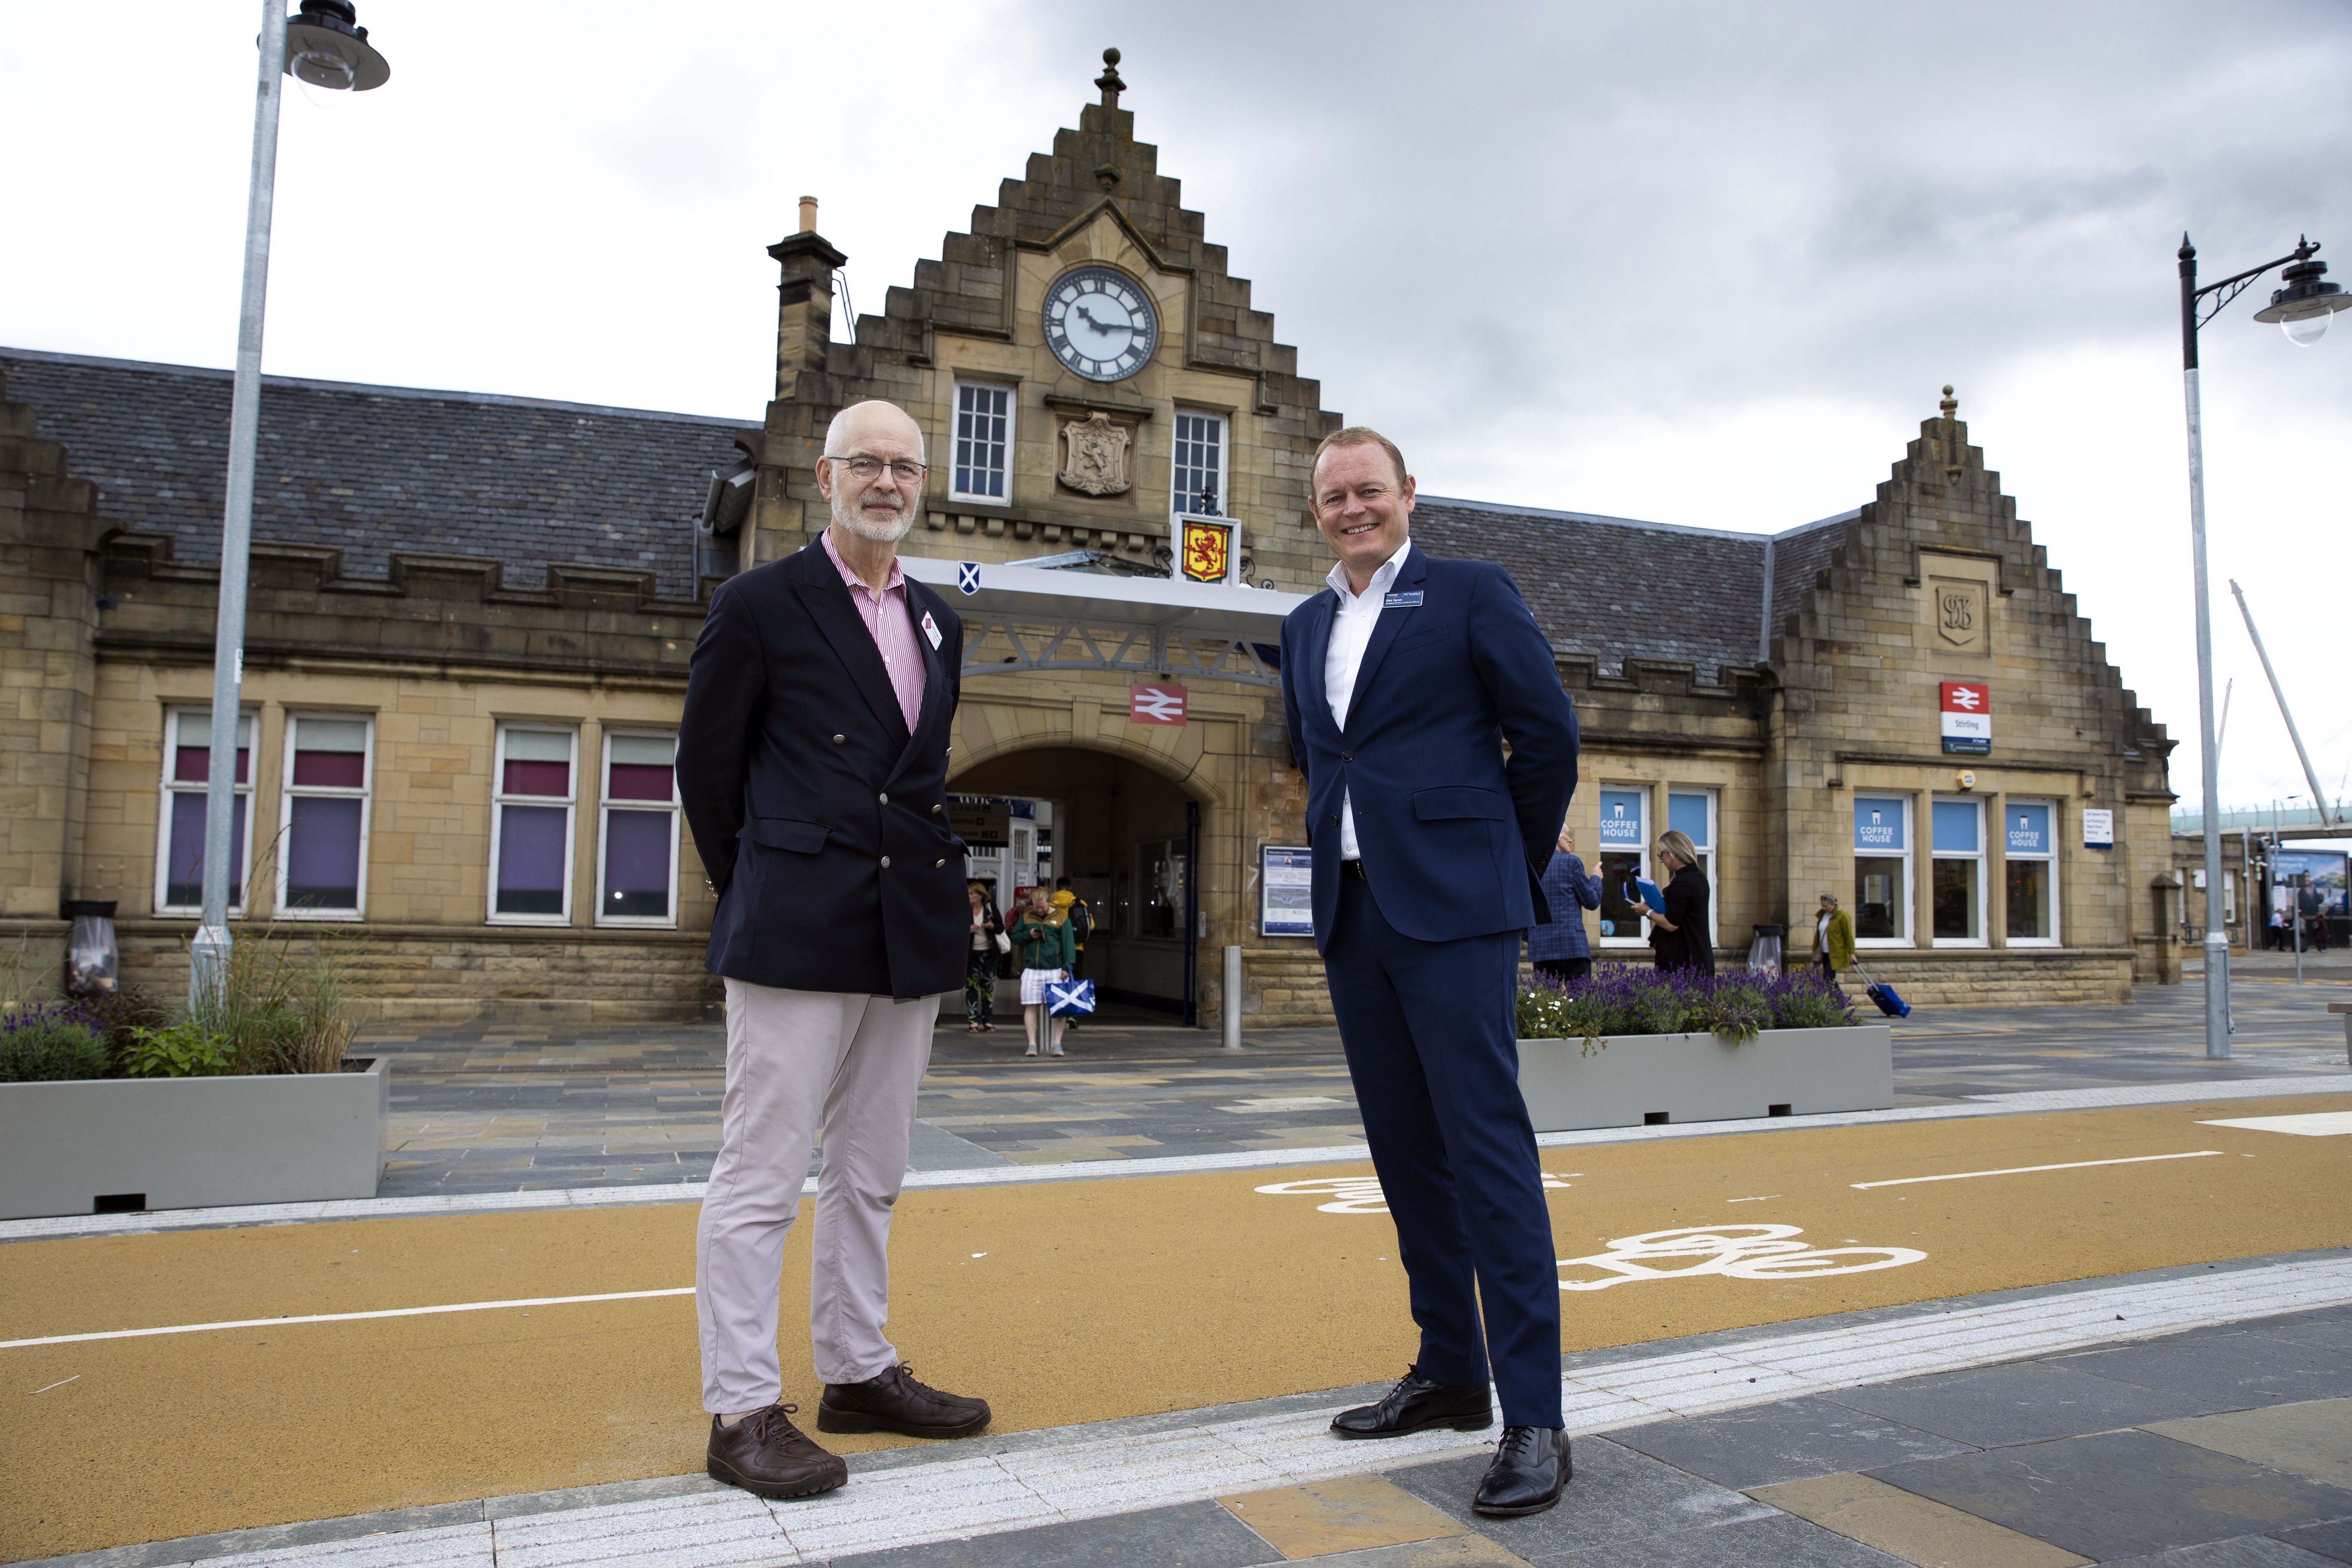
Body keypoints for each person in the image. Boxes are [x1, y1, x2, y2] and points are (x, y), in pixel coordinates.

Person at [676, 399, 989, 1503]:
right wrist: (765, 881)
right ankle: (743, 1408)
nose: (888, 482)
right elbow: (707, 777)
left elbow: (921, 779)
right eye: (868, 462)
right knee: (762, 1173)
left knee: (872, 1170)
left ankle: (857, 1369)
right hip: (796, 923)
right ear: (825, 476)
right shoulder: (759, 604)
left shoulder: (941, 620)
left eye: (905, 467)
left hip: (907, 927)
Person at [1279, 426, 1580, 1518]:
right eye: (1331, 497)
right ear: (1313, 511)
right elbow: (1317, 758)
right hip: (1353, 913)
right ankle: (1451, 1370)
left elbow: (1545, 736)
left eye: (1368, 490)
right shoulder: (1304, 621)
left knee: (1486, 1151)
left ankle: (1534, 1416)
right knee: (1404, 1153)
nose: (1351, 509)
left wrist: (1499, 854)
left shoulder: (1468, 592)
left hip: (1455, 913)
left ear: (1407, 493)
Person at [1528, 820, 1602, 985]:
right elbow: (1592, 901)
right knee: (1579, 1004)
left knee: (1546, 1007)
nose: (1570, 840)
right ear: (1556, 837)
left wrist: (1532, 936)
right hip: (1572, 947)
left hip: (1540, 948)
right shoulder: (1571, 862)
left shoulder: (1531, 866)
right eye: (1568, 835)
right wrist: (1596, 878)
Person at [1637, 831, 1715, 974]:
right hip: (1697, 956)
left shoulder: (1683, 883)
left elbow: (1671, 924)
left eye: (1662, 855)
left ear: (1674, 853)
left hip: (1683, 960)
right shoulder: (1698, 877)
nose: (1662, 860)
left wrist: (1647, 911)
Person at [1011, 885, 1075, 1057]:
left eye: (1042, 907)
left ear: (1049, 902)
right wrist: (1028, 935)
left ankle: (1057, 1044)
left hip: (1055, 970)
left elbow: (1069, 944)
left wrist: (1067, 967)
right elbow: (1015, 937)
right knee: (1031, 1006)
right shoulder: (1027, 916)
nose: (1039, 910)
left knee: (1058, 1009)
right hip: (1032, 970)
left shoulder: (1062, 918)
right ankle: (1032, 1044)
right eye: (1036, 907)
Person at [1052, 876, 1094, 1029]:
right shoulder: (1080, 904)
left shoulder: (1050, 905)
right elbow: (1091, 926)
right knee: (1074, 982)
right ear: (1070, 888)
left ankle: (1056, 1013)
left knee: (1055, 982)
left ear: (1057, 888)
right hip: (1077, 949)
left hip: (1055, 950)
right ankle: (1072, 1016)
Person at [965, 882, 1003, 1033]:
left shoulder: (990, 907)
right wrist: (967, 929)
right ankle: (973, 1021)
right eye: (968, 893)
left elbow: (1001, 927)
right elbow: (954, 927)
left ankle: (988, 1021)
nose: (969, 896)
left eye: (972, 894)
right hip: (971, 954)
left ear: (980, 895)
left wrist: (991, 926)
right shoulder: (965, 908)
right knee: (971, 987)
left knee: (988, 988)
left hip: (989, 954)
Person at [1812, 893, 1855, 984]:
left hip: (1835, 953)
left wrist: (1852, 954)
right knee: (1828, 979)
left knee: (1829, 978)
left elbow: (1848, 935)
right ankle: (1837, 998)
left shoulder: (1842, 916)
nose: (1824, 908)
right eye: (1822, 906)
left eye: (1826, 906)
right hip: (1824, 953)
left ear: (1833, 904)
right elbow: (1818, 934)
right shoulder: (1823, 916)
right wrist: (1814, 949)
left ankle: (1840, 998)